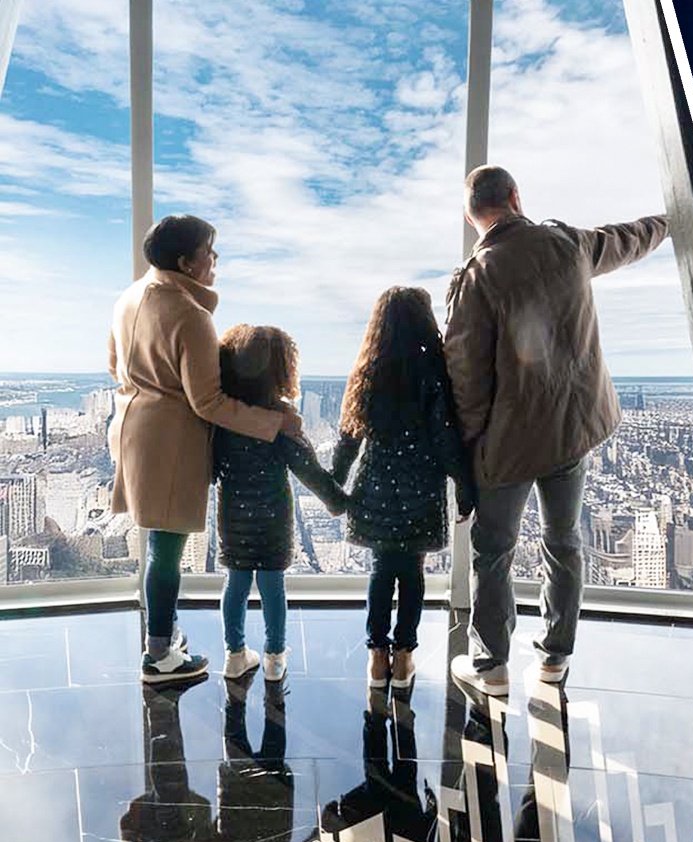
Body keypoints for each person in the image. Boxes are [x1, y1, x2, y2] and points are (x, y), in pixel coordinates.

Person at [443, 164, 669, 696]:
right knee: (563, 540)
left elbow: (466, 376)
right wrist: (669, 220)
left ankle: (492, 665)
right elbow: (628, 239)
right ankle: (554, 657)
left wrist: (472, 447)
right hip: (574, 429)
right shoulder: (567, 244)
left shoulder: (478, 275)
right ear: (516, 197)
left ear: (472, 215)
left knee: (493, 549)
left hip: (512, 440)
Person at [108, 215, 303, 682]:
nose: (215, 261)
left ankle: (165, 631)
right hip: (169, 442)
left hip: (132, 428)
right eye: (208, 252)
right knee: (168, 550)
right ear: (186, 262)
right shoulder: (191, 316)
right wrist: (274, 422)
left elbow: (113, 363)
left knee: (157, 541)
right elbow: (209, 401)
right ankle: (159, 655)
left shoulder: (129, 297)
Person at [333, 287, 476, 690]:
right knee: (412, 574)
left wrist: (335, 484)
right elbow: (446, 438)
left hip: (376, 486)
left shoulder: (368, 369)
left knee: (381, 572)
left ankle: (377, 657)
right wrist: (464, 486)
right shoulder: (432, 371)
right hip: (420, 488)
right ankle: (405, 655)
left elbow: (349, 436)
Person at [214, 324, 347, 681]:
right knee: (273, 586)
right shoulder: (279, 420)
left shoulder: (223, 419)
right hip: (272, 517)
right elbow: (309, 470)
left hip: (233, 516)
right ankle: (274, 658)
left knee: (236, 583)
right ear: (282, 370)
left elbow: (209, 465)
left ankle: (234, 654)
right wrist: (337, 502)